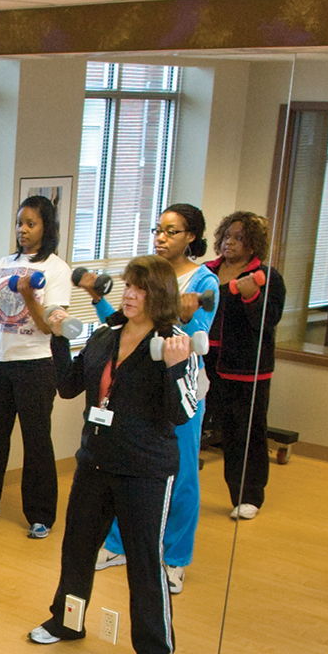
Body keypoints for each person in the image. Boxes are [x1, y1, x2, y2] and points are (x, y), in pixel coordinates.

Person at [29, 256, 198, 654]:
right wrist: (58, 338)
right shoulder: (106, 335)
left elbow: (181, 414)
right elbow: (68, 387)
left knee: (143, 561)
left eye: (139, 289)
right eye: (127, 286)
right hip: (95, 461)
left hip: (145, 470)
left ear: (158, 296)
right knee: (77, 550)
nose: (129, 294)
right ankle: (67, 622)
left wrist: (176, 368)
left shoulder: (175, 342)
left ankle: (156, 653)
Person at [89, 203, 219, 593]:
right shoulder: (146, 273)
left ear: (191, 237)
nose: (161, 237)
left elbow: (194, 339)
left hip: (179, 384)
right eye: (158, 229)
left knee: (181, 472)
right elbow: (125, 324)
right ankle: (117, 545)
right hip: (136, 386)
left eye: (172, 231)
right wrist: (97, 298)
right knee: (123, 463)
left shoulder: (203, 282)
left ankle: (176, 557)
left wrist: (185, 312)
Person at [0, 194, 73, 537]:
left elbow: (51, 326)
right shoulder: (6, 262)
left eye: (30, 224)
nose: (22, 229)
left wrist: (27, 296)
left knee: (36, 441)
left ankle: (41, 514)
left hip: (35, 363)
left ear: (46, 228)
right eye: (20, 222)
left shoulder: (56, 269)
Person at [206, 211, 286, 520]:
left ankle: (248, 496)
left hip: (244, 367)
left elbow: (268, 322)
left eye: (239, 238)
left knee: (244, 432)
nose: (230, 242)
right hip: (203, 360)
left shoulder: (267, 277)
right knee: (190, 426)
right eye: (227, 235)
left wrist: (252, 297)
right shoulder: (207, 271)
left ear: (253, 244)